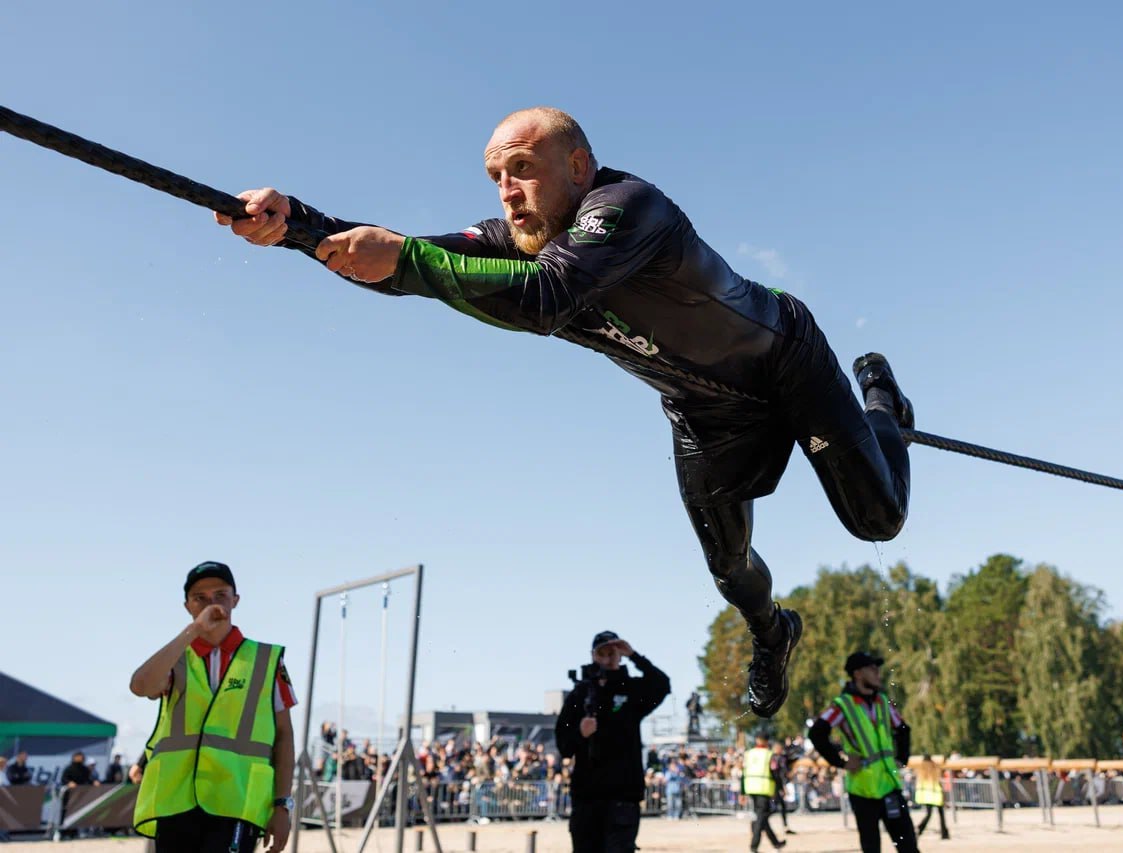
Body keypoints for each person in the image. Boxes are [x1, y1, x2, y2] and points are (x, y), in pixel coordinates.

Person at [216, 106, 915, 718]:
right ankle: (773, 632)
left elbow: (545, 297)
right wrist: (296, 224)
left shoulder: (628, 205)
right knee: (729, 566)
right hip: (702, 410)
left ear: (578, 167)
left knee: (876, 521)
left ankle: (882, 400)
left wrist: (407, 260)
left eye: (523, 168)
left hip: (785, 361)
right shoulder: (509, 240)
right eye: (496, 176)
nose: (507, 191)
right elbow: (393, 258)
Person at [129, 561, 298, 853]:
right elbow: (140, 686)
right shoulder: (174, 659)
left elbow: (284, 737)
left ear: (236, 600)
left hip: (237, 803)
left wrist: (282, 805)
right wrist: (194, 630)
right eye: (200, 598)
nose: (212, 604)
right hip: (175, 803)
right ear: (187, 606)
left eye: (220, 595)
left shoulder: (266, 660)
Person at [555, 631, 670, 852]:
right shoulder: (580, 694)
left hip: (623, 795)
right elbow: (564, 745)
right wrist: (580, 733)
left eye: (612, 653)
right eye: (602, 653)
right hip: (587, 795)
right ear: (593, 655)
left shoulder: (631, 689)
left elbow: (662, 685)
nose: (607, 658)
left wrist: (634, 656)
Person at [807, 651, 917, 853]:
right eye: (872, 669)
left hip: (890, 785)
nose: (877, 673)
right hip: (862, 790)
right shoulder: (843, 705)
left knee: (908, 847)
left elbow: (903, 729)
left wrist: (902, 758)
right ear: (857, 674)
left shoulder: (882, 701)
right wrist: (840, 762)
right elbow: (816, 733)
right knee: (871, 848)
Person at [744, 734, 787, 852]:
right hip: (763, 788)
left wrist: (742, 792)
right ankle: (754, 845)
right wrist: (780, 788)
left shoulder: (749, 753)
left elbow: (744, 773)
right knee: (761, 817)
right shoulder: (769, 754)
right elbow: (775, 773)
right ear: (767, 742)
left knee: (762, 817)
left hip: (750, 787)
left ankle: (776, 843)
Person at [913, 755, 948, 840]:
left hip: (926, 795)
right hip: (936, 794)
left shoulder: (921, 770)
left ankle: (920, 828)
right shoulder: (935, 768)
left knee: (929, 814)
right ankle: (944, 833)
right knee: (941, 814)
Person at [770, 740, 797, 835]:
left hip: (778, 785)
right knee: (774, 807)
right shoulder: (775, 759)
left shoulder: (780, 758)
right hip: (776, 785)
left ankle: (785, 826)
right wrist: (783, 787)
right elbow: (779, 774)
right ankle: (760, 822)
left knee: (781, 806)